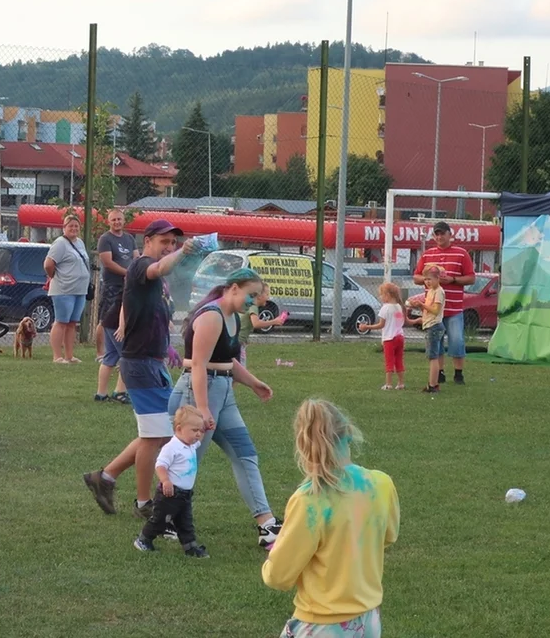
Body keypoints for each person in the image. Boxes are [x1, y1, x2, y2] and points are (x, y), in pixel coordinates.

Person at [83, 219, 196, 519]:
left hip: (152, 362)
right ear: (147, 241)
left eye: (173, 243)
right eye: (164, 242)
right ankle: (145, 503)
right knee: (154, 436)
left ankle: (104, 478)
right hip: (139, 364)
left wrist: (166, 347)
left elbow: (154, 312)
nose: (169, 248)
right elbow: (158, 268)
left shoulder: (158, 279)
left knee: (157, 434)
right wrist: (183, 253)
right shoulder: (141, 265)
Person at [262, 400, 399, 638]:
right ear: (347, 433)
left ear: (303, 443)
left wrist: (273, 558)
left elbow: (279, 577)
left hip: (322, 626)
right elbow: (388, 535)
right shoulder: (381, 484)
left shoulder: (310, 500)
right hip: (368, 620)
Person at [168, 269, 282, 549]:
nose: (253, 302)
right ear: (233, 288)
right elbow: (198, 365)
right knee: (187, 462)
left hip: (222, 392)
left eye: (256, 297)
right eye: (250, 295)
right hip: (198, 392)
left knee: (246, 455)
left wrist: (254, 383)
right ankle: (166, 521)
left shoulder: (231, 317)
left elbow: (227, 361)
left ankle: (267, 525)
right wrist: (203, 409)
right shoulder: (211, 316)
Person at [133, 405, 209, 558]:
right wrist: (165, 480)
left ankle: (190, 546)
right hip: (170, 493)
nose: (198, 434)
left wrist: (205, 428)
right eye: (194, 431)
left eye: (200, 431)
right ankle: (143, 540)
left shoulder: (190, 445)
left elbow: (200, 439)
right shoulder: (172, 447)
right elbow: (160, 465)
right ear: (179, 428)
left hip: (185, 494)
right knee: (160, 520)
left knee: (185, 521)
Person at [412, 221, 475, 385]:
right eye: (436, 234)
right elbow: (416, 277)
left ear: (450, 234)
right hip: (433, 310)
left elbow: (471, 278)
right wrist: (428, 280)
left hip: (453, 308)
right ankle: (439, 372)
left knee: (457, 340)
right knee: (436, 341)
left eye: (442, 233)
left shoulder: (461, 254)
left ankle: (458, 373)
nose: (439, 237)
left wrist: (453, 279)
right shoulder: (427, 255)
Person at [94, 208, 137, 403]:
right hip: (114, 288)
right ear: (108, 221)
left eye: (120, 219)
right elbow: (108, 262)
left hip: (127, 288)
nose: (117, 222)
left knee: (111, 354)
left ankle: (101, 394)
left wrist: (137, 269)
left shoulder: (129, 238)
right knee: (125, 352)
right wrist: (128, 273)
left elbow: (136, 257)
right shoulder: (105, 239)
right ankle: (120, 392)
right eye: (114, 219)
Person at [44, 214, 91, 364]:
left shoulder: (80, 243)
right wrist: (54, 277)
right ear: (64, 228)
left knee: (72, 323)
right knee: (61, 321)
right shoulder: (60, 244)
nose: (74, 228)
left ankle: (69, 355)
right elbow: (48, 264)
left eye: (76, 226)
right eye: (70, 225)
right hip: (64, 289)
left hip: (80, 290)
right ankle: (57, 356)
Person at [359, 282, 415, 390]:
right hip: (400, 337)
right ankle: (401, 383)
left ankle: (388, 384)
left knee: (389, 361)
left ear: (388, 295)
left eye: (381, 294)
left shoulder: (385, 308)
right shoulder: (399, 307)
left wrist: (367, 327)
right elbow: (402, 322)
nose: (380, 297)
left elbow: (381, 325)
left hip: (389, 339)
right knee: (399, 360)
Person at [411, 265, 445, 394]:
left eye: (430, 279)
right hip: (431, 324)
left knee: (433, 357)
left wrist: (422, 304)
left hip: (434, 326)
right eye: (425, 279)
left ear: (437, 278)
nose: (427, 282)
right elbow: (429, 309)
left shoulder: (439, 292)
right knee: (434, 355)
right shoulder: (430, 291)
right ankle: (434, 384)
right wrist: (420, 306)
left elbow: (435, 310)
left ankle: (432, 385)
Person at [238, 283, 287, 366]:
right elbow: (256, 324)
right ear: (259, 295)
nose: (268, 297)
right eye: (267, 294)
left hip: (237, 342)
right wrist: (274, 321)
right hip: (237, 343)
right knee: (241, 369)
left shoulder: (249, 305)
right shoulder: (253, 306)